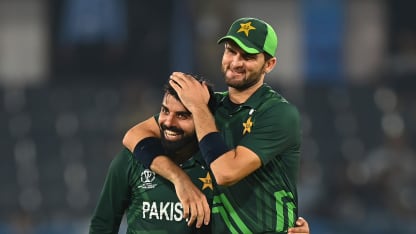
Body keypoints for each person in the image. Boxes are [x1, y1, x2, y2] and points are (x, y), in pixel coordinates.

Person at [124, 17, 304, 233]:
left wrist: (198, 109)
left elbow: (225, 172)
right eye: (231, 51)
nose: (236, 62)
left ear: (269, 64)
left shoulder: (277, 113)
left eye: (248, 56)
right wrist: (179, 179)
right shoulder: (211, 104)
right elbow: (135, 135)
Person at [89, 80, 215, 233]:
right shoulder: (131, 160)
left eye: (182, 115)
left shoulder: (218, 166)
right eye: (165, 111)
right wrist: (180, 179)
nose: (168, 122)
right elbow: (102, 226)